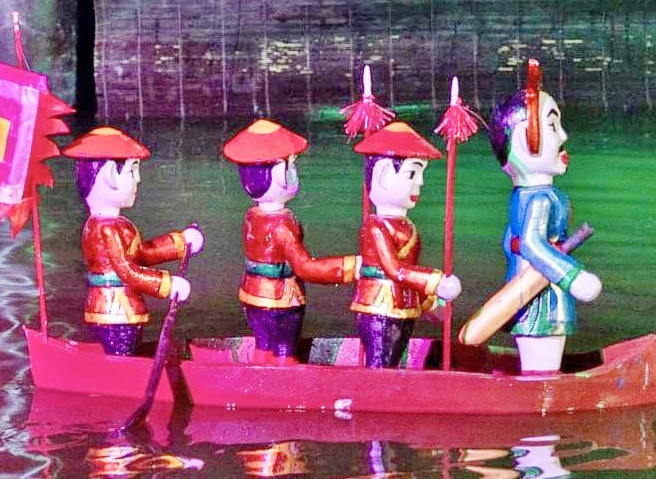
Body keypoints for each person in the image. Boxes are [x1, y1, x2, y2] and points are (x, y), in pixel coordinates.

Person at [486, 61, 602, 374]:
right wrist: (573, 276)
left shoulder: (525, 197)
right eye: (552, 126)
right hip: (539, 295)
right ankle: (540, 389)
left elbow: (511, 242)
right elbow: (530, 244)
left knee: (544, 357)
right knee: (542, 365)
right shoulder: (538, 198)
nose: (564, 135)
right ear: (523, 141)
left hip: (535, 287)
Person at [61, 126, 204, 356]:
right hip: (115, 309)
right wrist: (167, 285)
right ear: (109, 176)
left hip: (124, 308)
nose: (138, 180)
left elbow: (142, 254)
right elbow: (127, 271)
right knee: (122, 355)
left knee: (129, 350)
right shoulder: (105, 228)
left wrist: (180, 243)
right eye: (132, 171)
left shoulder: (116, 224)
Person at [222, 119, 355, 364]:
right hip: (281, 297)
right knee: (285, 350)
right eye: (289, 168)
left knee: (263, 347)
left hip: (252, 294)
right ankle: (285, 376)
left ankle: (260, 374)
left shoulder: (252, 216)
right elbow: (304, 267)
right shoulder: (281, 223)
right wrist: (350, 267)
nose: (295, 175)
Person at [349, 121, 460, 368]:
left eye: (421, 174)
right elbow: (394, 269)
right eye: (412, 174)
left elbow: (409, 271)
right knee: (380, 362)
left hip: (405, 305)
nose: (420, 183)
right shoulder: (375, 227)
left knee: (393, 359)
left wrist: (429, 303)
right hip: (379, 304)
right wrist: (435, 282)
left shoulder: (407, 226)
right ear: (383, 176)